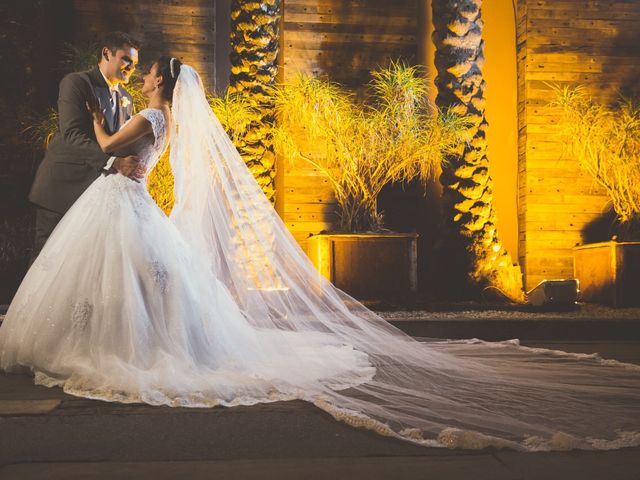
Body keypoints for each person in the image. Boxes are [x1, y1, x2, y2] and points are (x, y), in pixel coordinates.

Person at [1, 57, 639, 452]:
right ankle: (142, 342)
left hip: (120, 195)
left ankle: (127, 349)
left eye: (146, 73)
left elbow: (109, 144)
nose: (139, 78)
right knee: (149, 279)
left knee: (128, 278)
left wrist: (92, 118)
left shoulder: (144, 115)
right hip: (131, 199)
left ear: (159, 82)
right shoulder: (171, 123)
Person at [28, 31, 142, 259]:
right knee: (46, 265)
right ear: (107, 53)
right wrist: (114, 163)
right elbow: (72, 134)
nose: (131, 67)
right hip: (61, 189)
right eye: (126, 59)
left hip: (93, 198)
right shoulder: (77, 83)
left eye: (135, 63)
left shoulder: (126, 97)